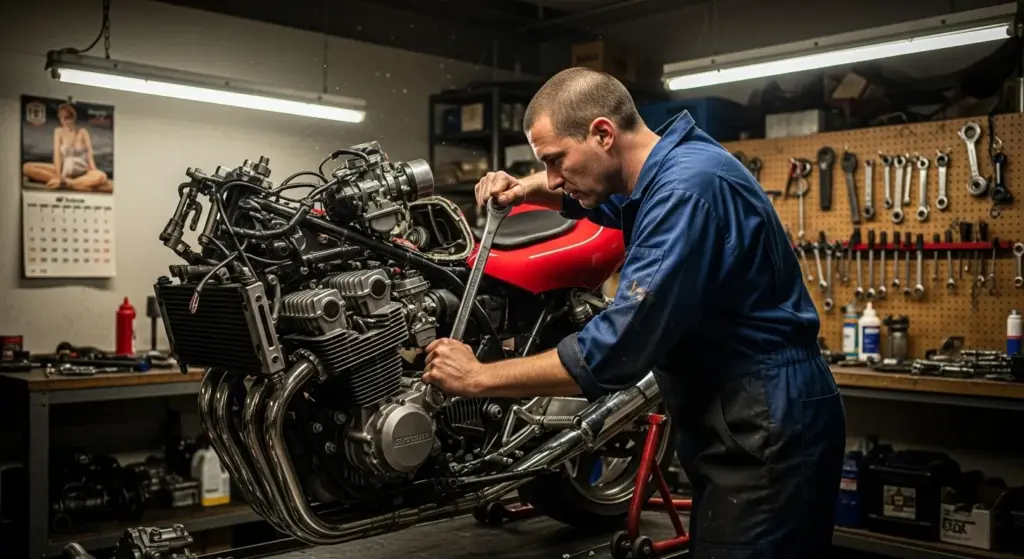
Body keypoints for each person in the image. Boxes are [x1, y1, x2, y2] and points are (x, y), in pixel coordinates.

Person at [421, 67, 847, 558]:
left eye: (557, 160)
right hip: (743, 411)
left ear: (603, 133)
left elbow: (615, 351)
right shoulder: (667, 169)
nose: (555, 178)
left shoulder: (686, 190)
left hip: (766, 417)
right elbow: (602, 201)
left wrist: (477, 378)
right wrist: (525, 187)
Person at [22, 102, 111, 192]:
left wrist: (93, 170)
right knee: (27, 167)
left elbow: (89, 153)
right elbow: (57, 155)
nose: (64, 121)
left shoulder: (82, 132)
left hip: (82, 172)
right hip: (64, 170)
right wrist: (58, 175)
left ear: (73, 117)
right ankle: (70, 182)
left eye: (67, 117)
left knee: (101, 176)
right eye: (61, 118)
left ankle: (69, 184)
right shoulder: (58, 132)